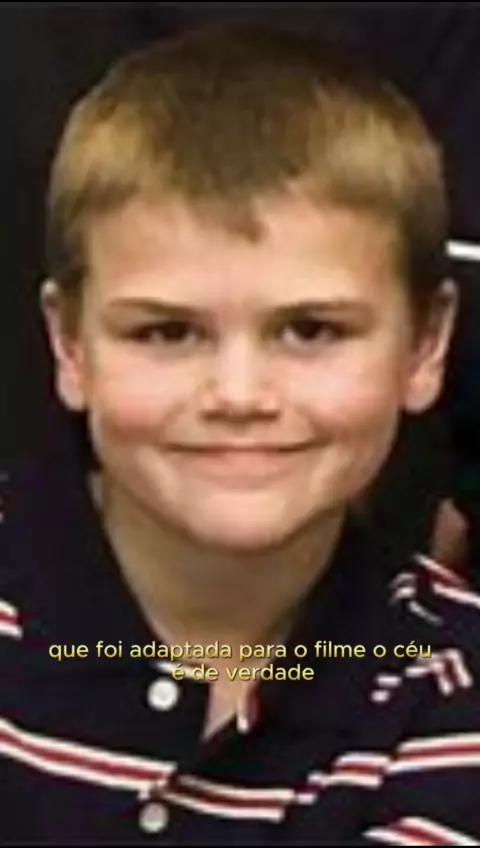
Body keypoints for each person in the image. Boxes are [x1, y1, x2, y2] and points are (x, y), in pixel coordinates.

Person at [1, 22, 480, 845]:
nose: (238, 395)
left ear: (425, 346)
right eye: (166, 332)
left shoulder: (451, 694)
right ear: (70, 345)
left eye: (312, 330)